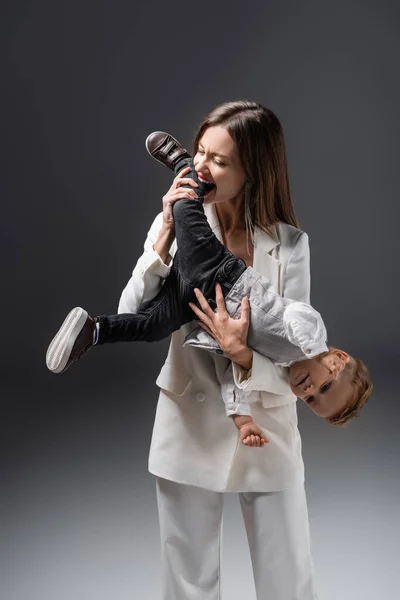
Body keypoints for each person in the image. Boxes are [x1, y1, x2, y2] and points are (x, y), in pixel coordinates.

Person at [49, 100, 343, 599]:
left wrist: (245, 356)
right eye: (199, 152)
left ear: (254, 170)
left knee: (287, 580)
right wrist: (162, 234)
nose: (203, 167)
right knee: (188, 581)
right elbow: (133, 308)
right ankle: (91, 333)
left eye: (220, 160)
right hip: (187, 416)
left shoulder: (291, 246)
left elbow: (301, 353)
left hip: (266, 423)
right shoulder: (176, 218)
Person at [46, 132, 372, 448]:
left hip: (195, 302)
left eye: (311, 400)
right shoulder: (310, 337)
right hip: (222, 277)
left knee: (152, 326)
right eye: (325, 386)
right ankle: (182, 164)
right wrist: (313, 348)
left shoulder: (279, 365)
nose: (309, 390)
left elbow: (234, 375)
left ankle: (93, 330)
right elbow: (298, 314)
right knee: (188, 216)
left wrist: (242, 419)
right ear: (337, 359)